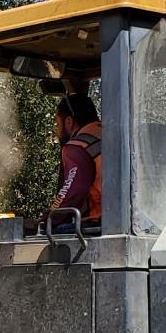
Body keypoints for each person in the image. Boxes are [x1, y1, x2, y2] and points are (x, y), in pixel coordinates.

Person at [47, 93, 101, 232]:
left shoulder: (77, 146)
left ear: (69, 122)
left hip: (100, 222)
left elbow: (72, 192)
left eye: (57, 124)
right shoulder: (108, 132)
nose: (56, 130)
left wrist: (49, 217)